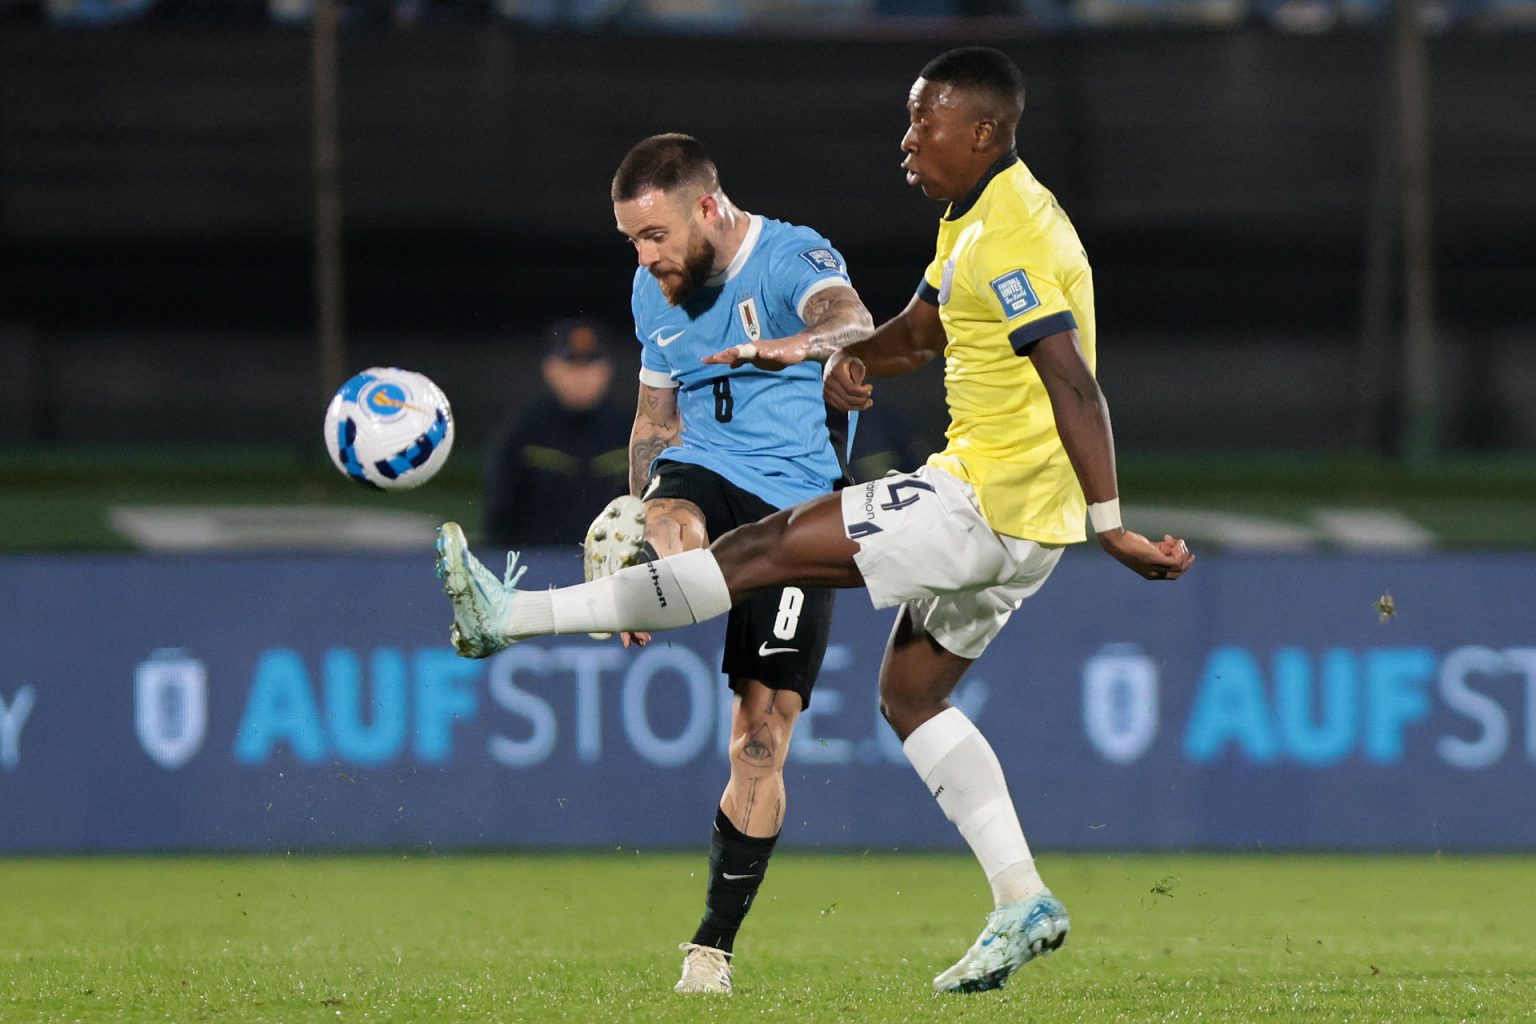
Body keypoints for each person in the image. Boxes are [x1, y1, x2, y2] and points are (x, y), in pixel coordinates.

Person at [435, 48, 1194, 994]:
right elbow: (917, 333)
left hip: (989, 501)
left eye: (927, 123)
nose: (907, 141)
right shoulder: (973, 223)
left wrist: (1111, 523)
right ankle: (1022, 898)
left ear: (985, 133)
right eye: (910, 120)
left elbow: (1072, 381)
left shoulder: (1013, 239)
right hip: (1021, 527)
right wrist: (860, 361)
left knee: (760, 551)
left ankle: (507, 619)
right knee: (911, 697)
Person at [569, 133, 875, 995]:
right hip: (705, 468)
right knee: (671, 514)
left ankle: (712, 947)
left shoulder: (790, 255)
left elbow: (852, 321)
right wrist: (637, 548)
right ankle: (648, 572)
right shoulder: (651, 288)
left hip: (799, 508)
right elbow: (654, 424)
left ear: (707, 208)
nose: (644, 254)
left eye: (655, 234)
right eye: (633, 238)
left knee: (760, 740)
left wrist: (793, 347)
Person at [481, 318, 631, 548]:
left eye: (589, 364)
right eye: (571, 364)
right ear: (549, 369)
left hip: (616, 573)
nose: (581, 376)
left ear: (606, 370)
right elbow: (500, 518)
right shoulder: (524, 434)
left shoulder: (631, 434)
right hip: (539, 570)